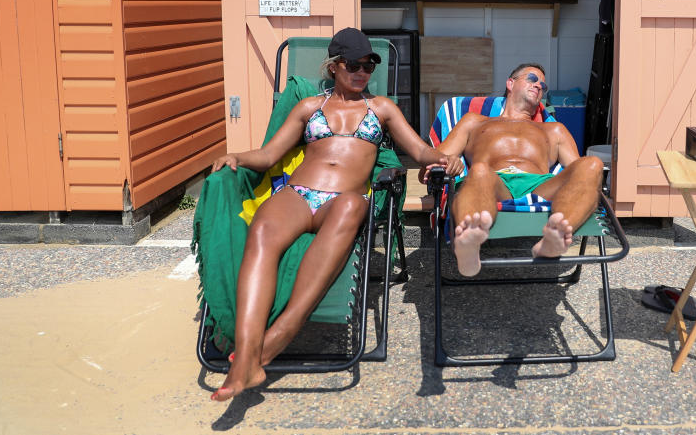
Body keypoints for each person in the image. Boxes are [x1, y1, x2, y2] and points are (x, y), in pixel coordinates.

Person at [209, 27, 461, 401]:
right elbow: (267, 156)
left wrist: (444, 157)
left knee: (352, 204)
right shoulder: (309, 106)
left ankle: (277, 338)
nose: (362, 72)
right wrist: (235, 157)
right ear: (334, 67)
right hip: (298, 194)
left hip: (343, 199)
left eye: (369, 65)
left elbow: (420, 151)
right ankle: (246, 357)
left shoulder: (382, 109)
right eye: (354, 65)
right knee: (261, 231)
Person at [432, 63, 603, 277]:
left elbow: (581, 178)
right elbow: (432, 164)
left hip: (539, 185)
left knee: (592, 164)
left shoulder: (554, 130)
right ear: (510, 83)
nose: (539, 85)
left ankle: (556, 236)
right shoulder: (474, 121)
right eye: (532, 78)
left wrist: (588, 175)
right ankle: (467, 244)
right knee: (480, 170)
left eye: (543, 84)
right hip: (493, 181)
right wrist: (448, 161)